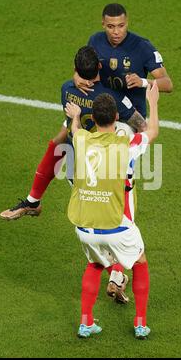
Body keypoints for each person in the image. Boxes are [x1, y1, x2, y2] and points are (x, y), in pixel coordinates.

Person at [0, 46, 147, 303]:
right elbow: (141, 124)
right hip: (109, 170)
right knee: (121, 217)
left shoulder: (67, 88)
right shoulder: (110, 98)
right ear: (99, 68)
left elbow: (68, 128)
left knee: (96, 218)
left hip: (78, 169)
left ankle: (33, 201)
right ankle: (117, 275)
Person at [65, 80, 160, 339]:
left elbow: (74, 130)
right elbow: (152, 133)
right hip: (116, 225)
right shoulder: (125, 146)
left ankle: (85, 323)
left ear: (92, 118)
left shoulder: (82, 139)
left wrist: (74, 117)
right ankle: (140, 323)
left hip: (84, 226)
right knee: (140, 262)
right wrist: (152, 102)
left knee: (95, 263)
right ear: (117, 117)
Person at [75, 3, 172, 119]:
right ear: (103, 24)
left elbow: (167, 84)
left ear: (127, 23)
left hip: (132, 116)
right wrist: (78, 77)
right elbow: (85, 65)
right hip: (102, 114)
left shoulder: (142, 47)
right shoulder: (95, 41)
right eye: (111, 26)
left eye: (121, 26)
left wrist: (142, 82)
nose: (116, 32)